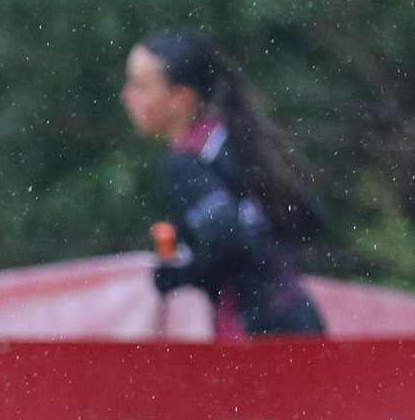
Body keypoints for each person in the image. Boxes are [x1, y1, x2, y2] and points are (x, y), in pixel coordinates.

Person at [121, 31, 327, 338]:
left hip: (254, 333)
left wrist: (177, 275)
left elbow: (228, 242)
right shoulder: (236, 138)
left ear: (181, 99)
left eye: (140, 86)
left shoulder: (188, 161)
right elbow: (310, 216)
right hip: (300, 321)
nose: (126, 96)